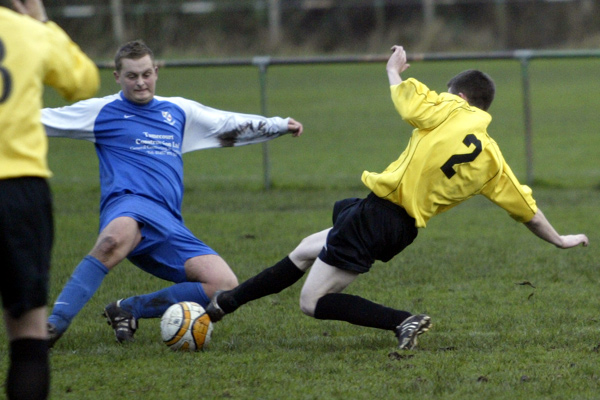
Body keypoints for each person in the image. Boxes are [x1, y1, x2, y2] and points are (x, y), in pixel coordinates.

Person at [205, 45, 589, 350]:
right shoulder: (492, 159)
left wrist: (393, 70)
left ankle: (402, 320)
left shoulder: (451, 107)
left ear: (459, 96)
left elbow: (410, 104)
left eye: (447, 95)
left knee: (311, 301)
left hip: (378, 216)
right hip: (398, 228)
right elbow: (527, 211)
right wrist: (559, 239)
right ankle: (226, 303)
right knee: (307, 248)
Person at [41, 39, 303, 346]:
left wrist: (278, 125)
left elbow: (227, 123)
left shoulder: (178, 111)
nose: (140, 82)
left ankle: (129, 309)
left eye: (146, 74)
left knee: (223, 283)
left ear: (156, 71)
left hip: (166, 219)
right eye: (131, 76)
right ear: (117, 76)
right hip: (127, 204)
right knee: (111, 241)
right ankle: (52, 326)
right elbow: (40, 119)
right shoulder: (101, 111)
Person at [0, 0, 99, 398]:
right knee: (27, 333)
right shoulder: (27, 32)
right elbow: (83, 82)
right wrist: (42, 22)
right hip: (18, 189)